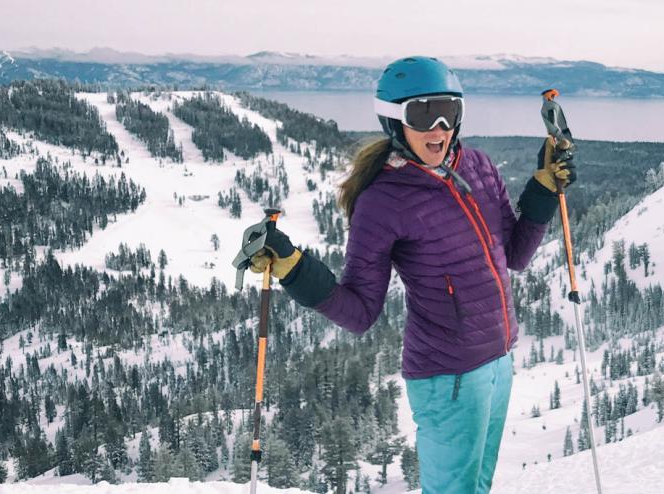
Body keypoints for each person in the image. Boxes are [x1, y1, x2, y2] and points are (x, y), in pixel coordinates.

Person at [243, 56, 575, 494]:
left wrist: (544, 190)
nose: (439, 127)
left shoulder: (478, 167)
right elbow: (359, 311)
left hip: (498, 364)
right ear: (395, 121)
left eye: (449, 111)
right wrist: (293, 268)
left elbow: (514, 255)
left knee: (477, 487)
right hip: (448, 379)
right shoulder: (382, 201)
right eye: (423, 113)